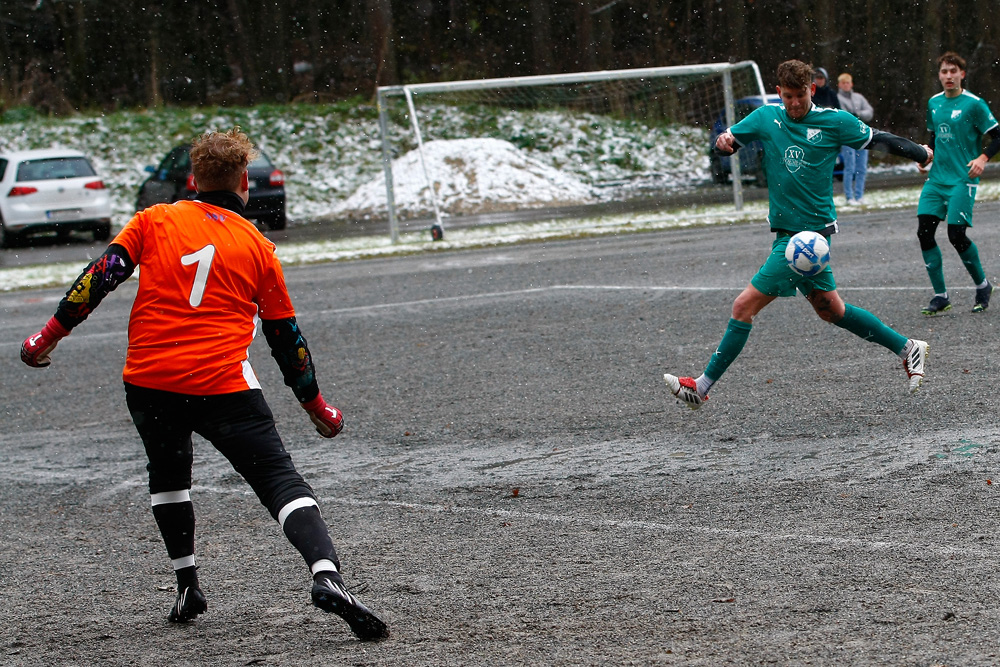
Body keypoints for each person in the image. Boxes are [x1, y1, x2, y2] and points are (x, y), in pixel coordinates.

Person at [19, 128, 389, 641]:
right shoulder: (258, 247)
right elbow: (287, 338)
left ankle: (187, 584)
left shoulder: (156, 220)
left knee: (169, 473)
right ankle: (327, 576)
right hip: (223, 385)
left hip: (150, 381)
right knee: (279, 480)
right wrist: (316, 404)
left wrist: (47, 335)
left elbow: (100, 275)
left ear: (193, 179)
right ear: (243, 181)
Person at [664, 60, 933, 410]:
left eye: (800, 95)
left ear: (812, 90)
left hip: (808, 238)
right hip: (786, 235)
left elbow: (877, 138)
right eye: (788, 96)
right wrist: (725, 143)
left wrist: (920, 152)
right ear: (779, 93)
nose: (794, 103)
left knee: (743, 306)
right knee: (831, 310)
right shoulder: (766, 117)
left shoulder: (833, 121)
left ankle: (700, 387)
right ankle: (907, 348)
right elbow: (727, 141)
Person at [916, 51, 1000, 315]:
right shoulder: (934, 103)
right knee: (924, 233)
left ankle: (983, 285)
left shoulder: (974, 104)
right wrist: (926, 154)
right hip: (936, 179)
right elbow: (934, 135)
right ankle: (941, 296)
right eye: (944, 72)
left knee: (956, 235)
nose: (948, 76)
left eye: (953, 71)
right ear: (939, 75)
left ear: (962, 74)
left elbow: (998, 135)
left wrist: (983, 157)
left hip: (963, 179)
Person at [836, 73, 875, 206]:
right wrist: (853, 117)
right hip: (848, 138)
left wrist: (858, 114)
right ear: (839, 84)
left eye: (848, 83)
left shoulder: (859, 98)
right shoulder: (838, 98)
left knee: (862, 167)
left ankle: (859, 195)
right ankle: (849, 196)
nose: (846, 85)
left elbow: (869, 111)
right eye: (843, 83)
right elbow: (842, 116)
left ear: (851, 84)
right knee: (850, 167)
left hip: (862, 136)